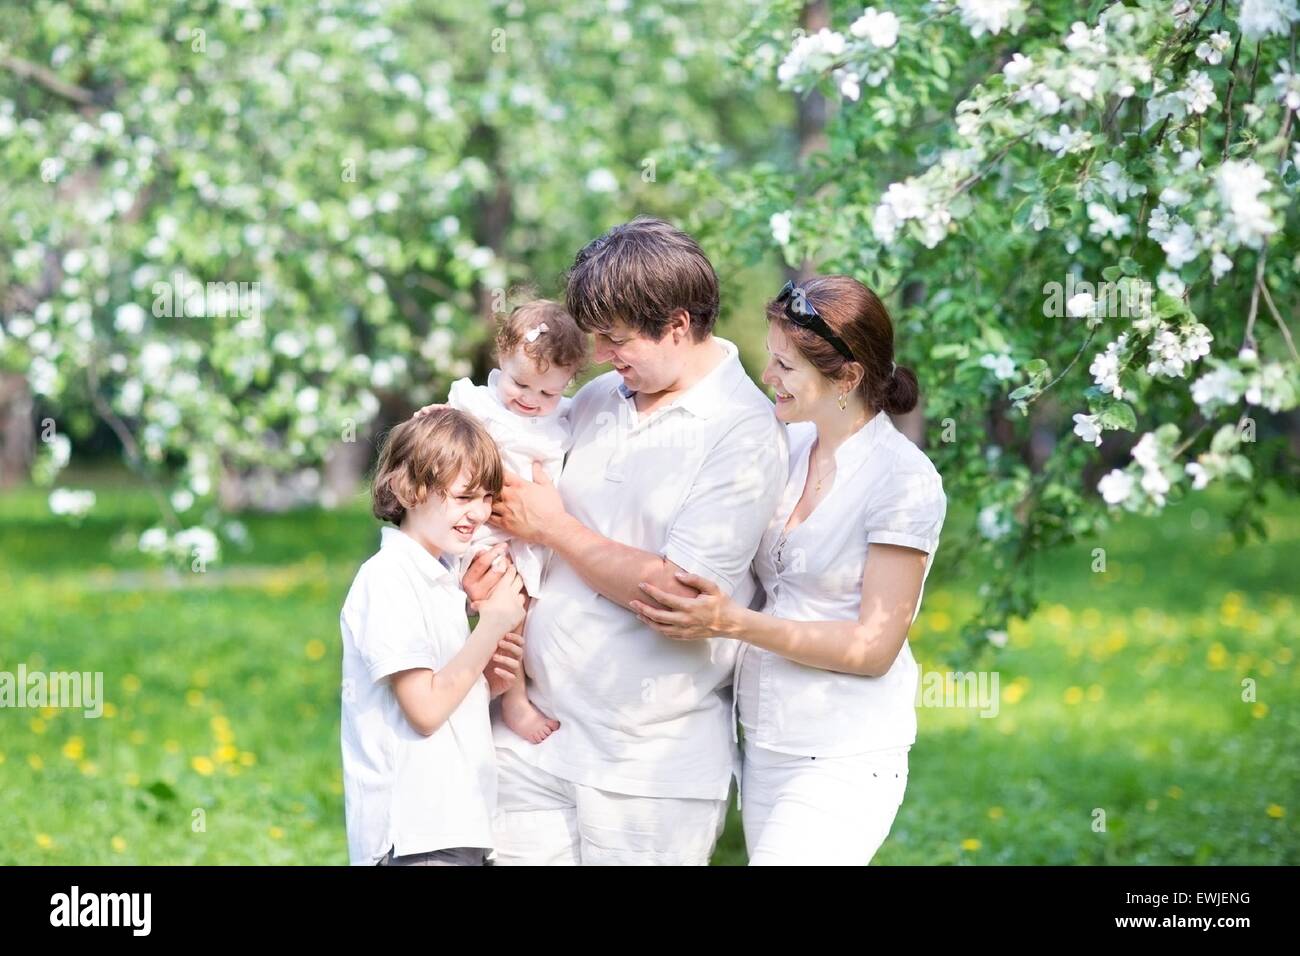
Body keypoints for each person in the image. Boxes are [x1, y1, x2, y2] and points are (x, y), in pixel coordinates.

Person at [630, 275, 946, 865]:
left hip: (846, 752)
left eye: (785, 365)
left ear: (846, 378)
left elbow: (873, 647)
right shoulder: (790, 447)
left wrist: (729, 622)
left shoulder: (904, 482)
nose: (768, 376)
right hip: (767, 744)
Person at [339, 409, 526, 866]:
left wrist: (486, 685)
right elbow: (423, 710)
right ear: (409, 490)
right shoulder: (387, 579)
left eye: (485, 498)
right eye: (464, 497)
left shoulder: (442, 580)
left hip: (455, 826)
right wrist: (494, 625)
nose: (478, 513)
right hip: (415, 837)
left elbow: (441, 695)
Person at [447, 299, 588, 745]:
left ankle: (504, 690)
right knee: (497, 607)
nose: (530, 400)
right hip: (479, 529)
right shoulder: (477, 404)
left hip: (526, 539)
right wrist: (431, 418)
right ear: (501, 358)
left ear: (568, 384)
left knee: (518, 613)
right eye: (520, 384)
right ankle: (508, 698)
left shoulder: (564, 417)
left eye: (547, 393)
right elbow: (443, 427)